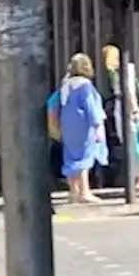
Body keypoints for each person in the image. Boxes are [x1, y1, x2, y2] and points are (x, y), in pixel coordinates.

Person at [58, 53, 108, 203]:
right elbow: (91, 107)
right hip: (83, 124)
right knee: (85, 156)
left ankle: (73, 191)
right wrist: (98, 125)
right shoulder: (85, 85)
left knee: (70, 156)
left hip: (67, 123)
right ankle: (85, 191)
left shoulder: (66, 84)